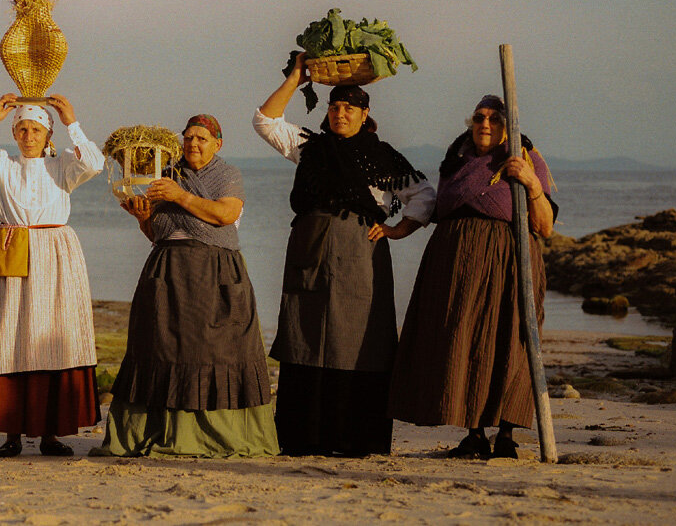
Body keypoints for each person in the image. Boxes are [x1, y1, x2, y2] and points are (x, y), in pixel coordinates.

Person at [253, 54, 435, 457]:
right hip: (309, 248)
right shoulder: (309, 148)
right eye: (335, 106)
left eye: (349, 107)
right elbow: (265, 121)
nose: (340, 113)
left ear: (365, 114)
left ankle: (354, 440)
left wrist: (396, 229)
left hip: (361, 253)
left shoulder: (384, 157)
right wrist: (298, 77)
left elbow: (424, 196)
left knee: (359, 340)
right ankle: (302, 439)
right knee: (306, 336)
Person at [93, 115, 278, 458]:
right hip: (167, 272)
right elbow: (158, 233)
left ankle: (216, 435)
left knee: (213, 348)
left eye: (202, 138)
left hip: (215, 273)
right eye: (189, 137)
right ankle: (155, 430)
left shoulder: (227, 175)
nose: (193, 144)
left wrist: (179, 196)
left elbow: (224, 215)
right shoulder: (166, 175)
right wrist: (142, 216)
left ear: (217, 144)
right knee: (162, 348)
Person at [388, 94, 557, 459]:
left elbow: (544, 226)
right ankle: (474, 432)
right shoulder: (455, 161)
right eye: (479, 117)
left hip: (509, 256)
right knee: (462, 338)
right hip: (457, 259)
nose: (485, 124)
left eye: (495, 119)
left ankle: (507, 434)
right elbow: (436, 209)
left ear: (507, 127)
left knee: (513, 338)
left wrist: (528, 183)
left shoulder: (525, 158)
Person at [0, 93, 104, 457]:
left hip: (56, 254)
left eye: (35, 129)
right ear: (14, 133)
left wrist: (71, 122)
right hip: (11, 248)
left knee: (54, 337)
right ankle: (12, 432)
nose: (28, 136)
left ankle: (52, 433)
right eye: (21, 129)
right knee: (9, 337)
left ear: (48, 135)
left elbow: (95, 163)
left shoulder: (65, 164)